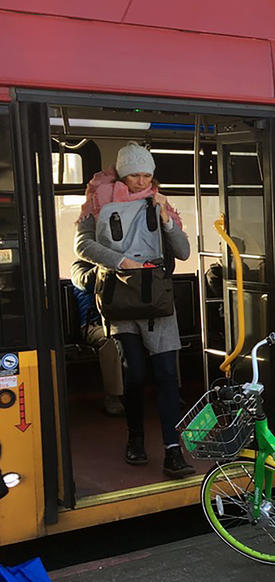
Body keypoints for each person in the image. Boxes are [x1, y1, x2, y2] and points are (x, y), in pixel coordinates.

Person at [74, 142, 195, 479]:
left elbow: (183, 251)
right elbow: (82, 245)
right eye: (135, 175)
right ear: (122, 174)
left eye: (147, 175)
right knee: (136, 374)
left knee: (169, 377)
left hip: (157, 300)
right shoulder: (98, 202)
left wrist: (166, 219)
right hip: (122, 298)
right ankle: (136, 439)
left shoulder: (159, 203)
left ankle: (173, 450)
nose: (142, 182)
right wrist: (121, 261)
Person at [70, 259, 125, 416]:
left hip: (123, 321)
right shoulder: (80, 266)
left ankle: (171, 390)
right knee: (111, 342)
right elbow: (84, 282)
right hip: (94, 325)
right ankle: (113, 397)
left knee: (164, 336)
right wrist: (107, 265)